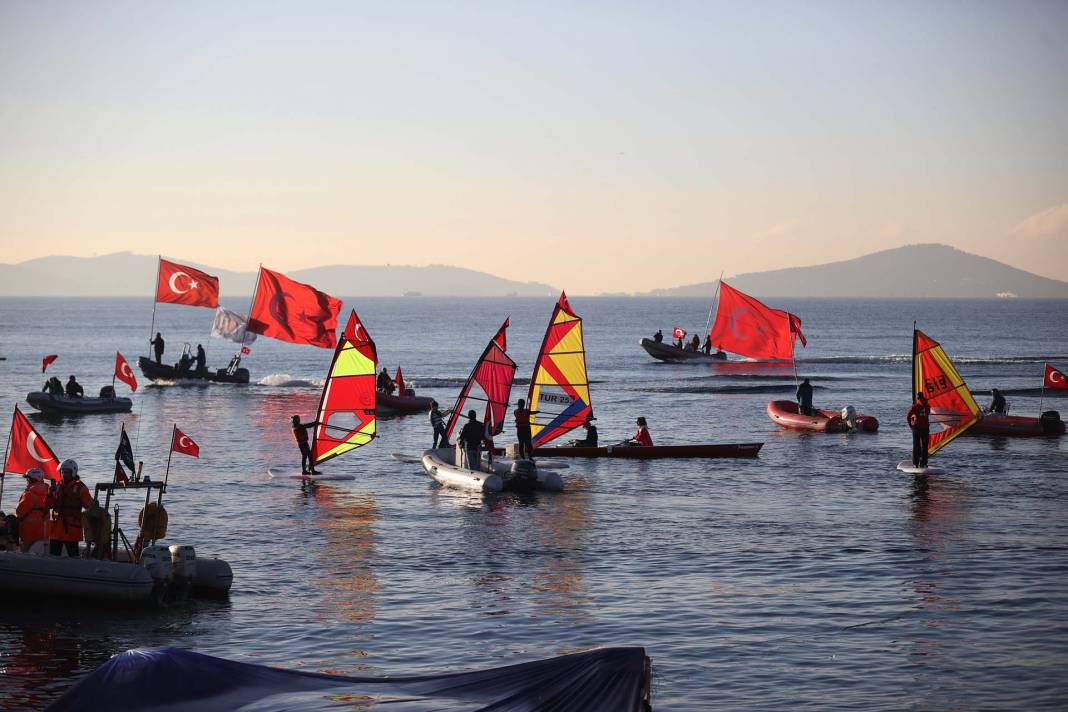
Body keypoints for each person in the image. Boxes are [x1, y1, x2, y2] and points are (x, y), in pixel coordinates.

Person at [48, 459, 93, 557]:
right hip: (56, 529)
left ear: (73, 472)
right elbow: (49, 505)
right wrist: (50, 494)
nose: (64, 475)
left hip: (71, 529)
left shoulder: (81, 488)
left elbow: (89, 506)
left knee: (73, 556)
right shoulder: (57, 487)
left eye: (67, 472)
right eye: (62, 472)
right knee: (53, 556)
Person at [16, 468, 50, 553]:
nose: (27, 481)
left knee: (26, 552)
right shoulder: (48, 492)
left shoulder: (29, 495)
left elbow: (19, 512)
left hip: (29, 532)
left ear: (33, 479)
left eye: (28, 479)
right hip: (44, 532)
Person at [907, 392, 930, 468]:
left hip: (916, 428)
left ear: (917, 398)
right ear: (923, 397)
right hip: (925, 428)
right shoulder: (927, 405)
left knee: (916, 446)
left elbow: (908, 416)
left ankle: (915, 463)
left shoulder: (915, 406)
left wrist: (911, 425)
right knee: (925, 446)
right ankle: (924, 463)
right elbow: (928, 413)